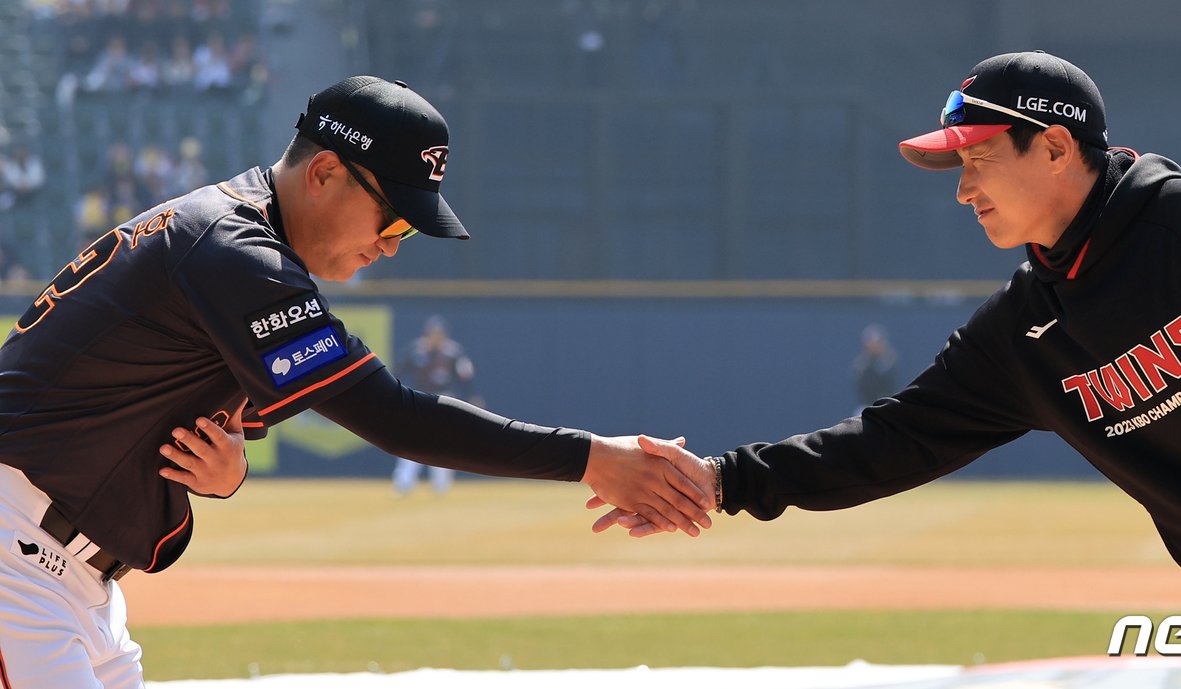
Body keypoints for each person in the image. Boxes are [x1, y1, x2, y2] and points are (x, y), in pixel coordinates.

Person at [593, 51, 1181, 687]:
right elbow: (892, 439)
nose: (963, 188)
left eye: (976, 158)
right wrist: (724, 480)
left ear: (1054, 147)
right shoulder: (1024, 332)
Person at [0, 75, 712, 689]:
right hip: (17, 558)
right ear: (324, 173)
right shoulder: (233, 250)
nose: (393, 244)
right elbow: (394, 417)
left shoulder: (236, 241)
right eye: (395, 216)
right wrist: (592, 458)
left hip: (70, 576)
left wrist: (228, 471)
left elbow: (192, 431)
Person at [392, 314, 481, 496]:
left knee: (443, 444)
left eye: (439, 333)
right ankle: (404, 483)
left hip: (445, 398)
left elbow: (465, 378)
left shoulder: (453, 352)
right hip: (419, 398)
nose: (436, 336)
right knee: (412, 442)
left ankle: (441, 485)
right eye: (433, 333)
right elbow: (397, 370)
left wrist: (473, 396)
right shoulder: (417, 350)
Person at [851, 323, 898, 411]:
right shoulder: (862, 365)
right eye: (871, 343)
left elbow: (890, 384)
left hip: (887, 405)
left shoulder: (889, 362)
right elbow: (863, 388)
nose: (874, 346)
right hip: (866, 405)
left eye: (878, 343)